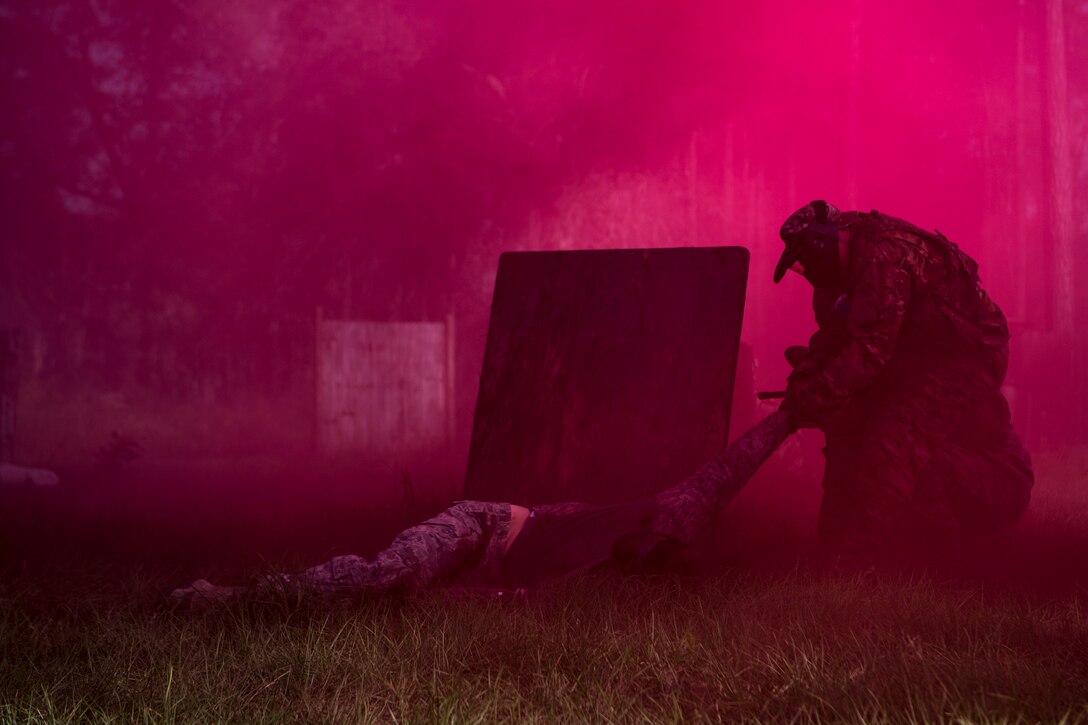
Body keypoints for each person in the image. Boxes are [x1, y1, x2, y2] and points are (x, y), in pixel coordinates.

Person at [171, 410, 794, 607]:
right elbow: (733, 463)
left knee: (402, 599)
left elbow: (510, 602)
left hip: (491, 572)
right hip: (485, 524)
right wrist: (795, 412)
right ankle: (223, 597)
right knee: (392, 574)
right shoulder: (677, 511)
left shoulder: (603, 592)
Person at [773, 200, 1033, 571]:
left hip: (966, 357)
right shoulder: (840, 275)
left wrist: (810, 399)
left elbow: (869, 352)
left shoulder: (881, 254)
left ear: (824, 243)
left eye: (806, 259)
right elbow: (832, 337)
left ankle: (863, 568)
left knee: (893, 439)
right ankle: (832, 557)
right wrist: (800, 386)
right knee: (851, 427)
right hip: (917, 355)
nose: (809, 272)